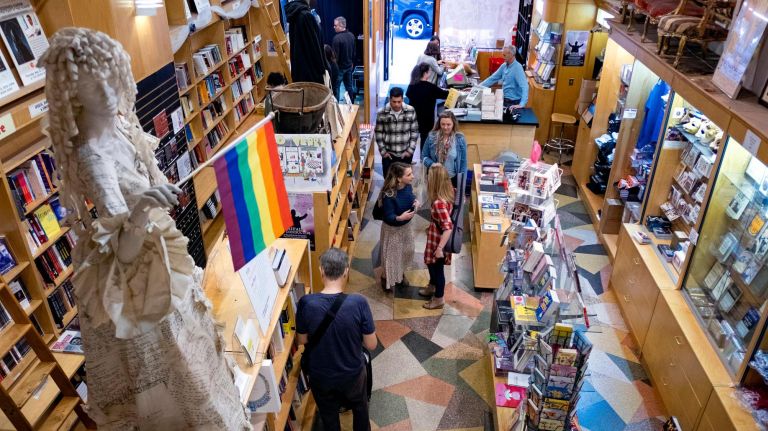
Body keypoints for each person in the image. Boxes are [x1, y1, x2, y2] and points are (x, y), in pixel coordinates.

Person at [39, 28, 250, 429]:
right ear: (73, 95)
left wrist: (149, 203)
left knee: (196, 353)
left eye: (108, 76)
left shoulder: (119, 125)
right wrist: (144, 207)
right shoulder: (92, 157)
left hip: (155, 251)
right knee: (175, 375)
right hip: (134, 273)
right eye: (91, 85)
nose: (105, 90)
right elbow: (123, 252)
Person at [297, 248, 377, 431]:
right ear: (346, 271)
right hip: (353, 374)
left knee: (328, 416)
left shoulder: (306, 303)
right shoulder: (359, 302)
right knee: (360, 408)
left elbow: (302, 340)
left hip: (321, 376)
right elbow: (371, 344)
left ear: (321, 271)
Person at [377, 162, 418, 290]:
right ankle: (385, 277)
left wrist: (415, 202)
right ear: (399, 178)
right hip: (393, 230)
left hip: (406, 228)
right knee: (392, 257)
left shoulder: (408, 186)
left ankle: (400, 273)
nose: (413, 176)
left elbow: (410, 197)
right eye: (409, 174)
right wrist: (400, 218)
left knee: (407, 251)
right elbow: (388, 216)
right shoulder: (389, 194)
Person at [421, 164, 454, 310]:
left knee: (437, 269)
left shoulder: (438, 203)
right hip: (436, 237)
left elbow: (448, 227)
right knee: (432, 265)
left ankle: (439, 298)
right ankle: (432, 286)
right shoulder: (449, 193)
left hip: (438, 241)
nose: (427, 179)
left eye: (429, 177)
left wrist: (440, 248)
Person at [375, 87, 419, 177]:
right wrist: (383, 152)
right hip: (389, 155)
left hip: (405, 154)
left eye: (399, 102)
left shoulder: (411, 110)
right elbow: (378, 133)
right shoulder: (382, 113)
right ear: (389, 99)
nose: (396, 105)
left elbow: (414, 131)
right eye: (394, 102)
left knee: (404, 182)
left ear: (402, 99)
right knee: (388, 182)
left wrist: (410, 151)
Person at [406, 63, 449, 152]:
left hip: (413, 117)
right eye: (429, 72)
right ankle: (423, 157)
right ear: (425, 73)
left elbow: (408, 95)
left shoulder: (412, 86)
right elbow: (445, 95)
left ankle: (408, 158)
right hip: (427, 119)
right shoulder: (431, 87)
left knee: (412, 138)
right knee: (424, 137)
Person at [286, 0, 327, 84]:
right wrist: (323, 69)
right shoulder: (306, 16)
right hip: (311, 74)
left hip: (299, 70)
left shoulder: (295, 15)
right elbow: (315, 47)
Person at [422, 111, 467, 188]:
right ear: (439, 124)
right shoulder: (431, 137)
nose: (445, 127)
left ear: (453, 124)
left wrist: (461, 186)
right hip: (435, 178)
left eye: (448, 124)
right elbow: (424, 156)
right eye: (443, 124)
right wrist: (432, 164)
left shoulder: (460, 139)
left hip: (452, 179)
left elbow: (463, 163)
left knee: (450, 200)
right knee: (435, 200)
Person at [332, 16, 356, 103]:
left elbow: (335, 58)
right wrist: (352, 62)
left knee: (336, 87)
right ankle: (352, 104)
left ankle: (336, 107)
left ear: (342, 25)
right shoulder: (352, 36)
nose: (334, 27)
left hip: (340, 69)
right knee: (349, 86)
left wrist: (334, 69)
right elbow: (354, 52)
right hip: (349, 66)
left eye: (336, 25)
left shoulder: (336, 39)